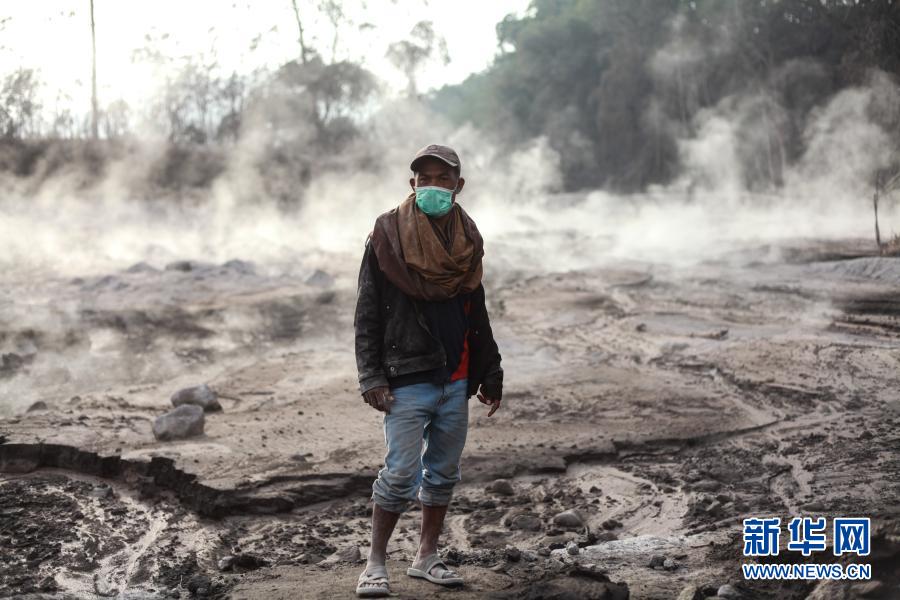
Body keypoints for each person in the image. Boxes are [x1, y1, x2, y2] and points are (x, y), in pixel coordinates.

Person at [353, 144, 503, 597]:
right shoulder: (387, 235)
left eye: (443, 179)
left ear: (458, 186)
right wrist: (372, 377)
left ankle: (426, 557)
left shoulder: (467, 239)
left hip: (455, 379)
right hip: (405, 376)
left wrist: (490, 370)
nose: (433, 186)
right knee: (400, 473)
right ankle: (375, 564)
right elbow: (367, 314)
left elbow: (477, 311)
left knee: (442, 472)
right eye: (425, 179)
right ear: (412, 184)